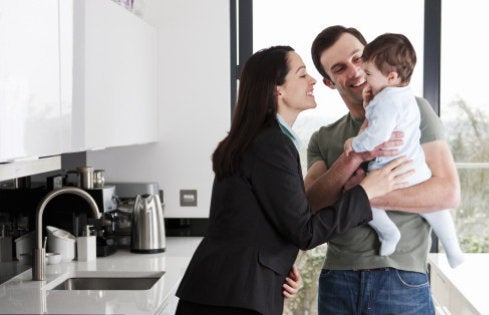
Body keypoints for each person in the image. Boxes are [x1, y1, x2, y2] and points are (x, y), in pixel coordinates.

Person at [175, 45, 414, 315]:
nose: (312, 80)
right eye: (302, 75)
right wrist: (365, 193)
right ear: (278, 90)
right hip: (233, 297)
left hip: (227, 291)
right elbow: (305, 231)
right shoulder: (271, 144)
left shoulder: (259, 138)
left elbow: (254, 220)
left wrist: (278, 264)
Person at [307, 26, 461, 314]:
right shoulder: (323, 137)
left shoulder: (413, 110)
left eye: (357, 58)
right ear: (329, 82)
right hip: (337, 279)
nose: (354, 72)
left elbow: (448, 192)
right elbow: (310, 205)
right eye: (339, 68)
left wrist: (366, 195)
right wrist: (353, 158)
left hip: (400, 278)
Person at [343, 33, 465, 267]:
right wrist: (371, 106)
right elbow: (388, 120)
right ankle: (453, 249)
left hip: (390, 171)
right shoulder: (404, 95)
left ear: (391, 76)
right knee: (437, 211)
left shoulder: (386, 100)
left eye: (368, 74)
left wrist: (354, 144)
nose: (365, 79)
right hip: (414, 167)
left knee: (364, 200)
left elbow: (377, 136)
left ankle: (389, 233)